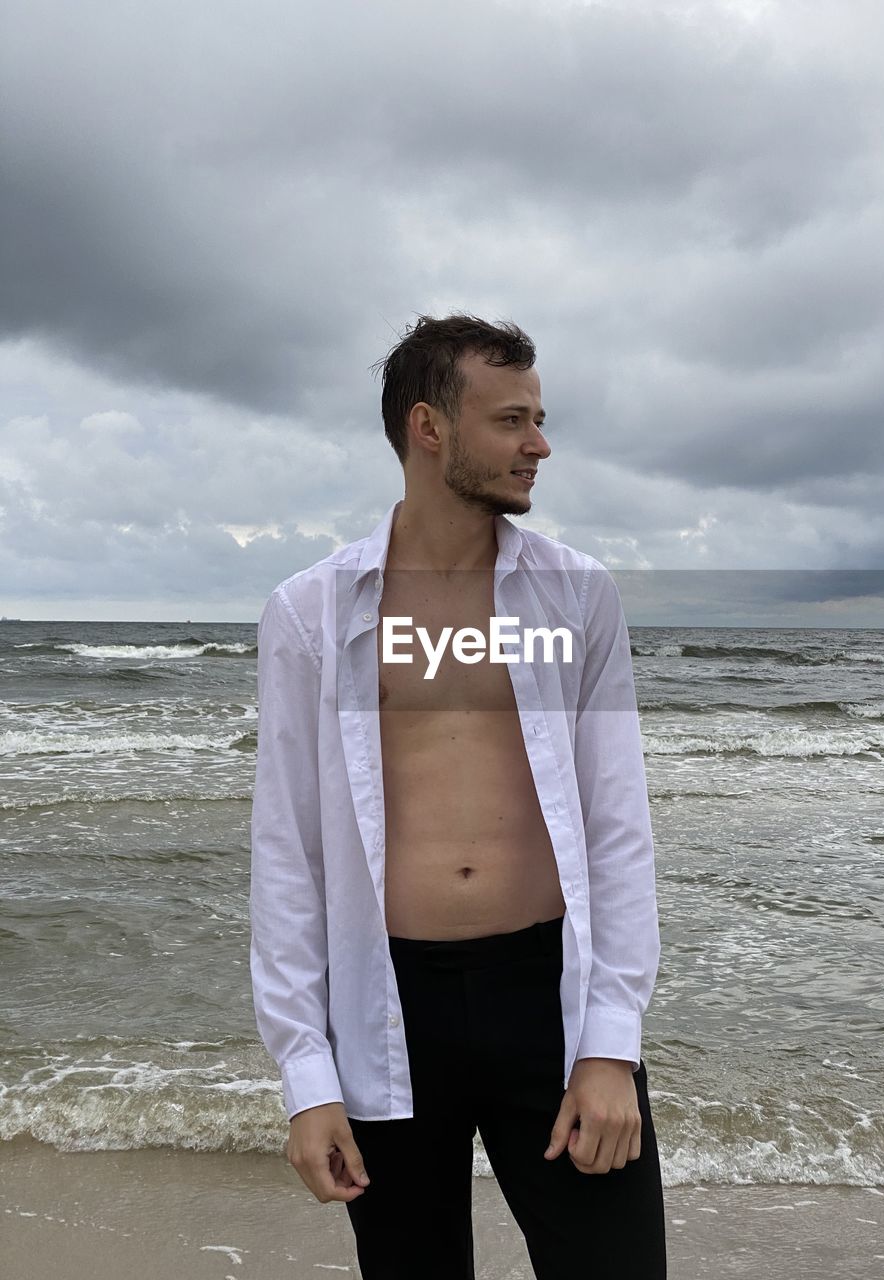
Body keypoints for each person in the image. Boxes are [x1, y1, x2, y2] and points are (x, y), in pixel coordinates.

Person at [249, 314, 667, 1279]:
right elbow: (289, 849)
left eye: (540, 417)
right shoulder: (312, 613)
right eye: (512, 420)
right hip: (388, 1004)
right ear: (429, 428)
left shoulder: (577, 596)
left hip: (550, 1000)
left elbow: (618, 828)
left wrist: (612, 1043)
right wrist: (307, 1078)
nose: (540, 444)